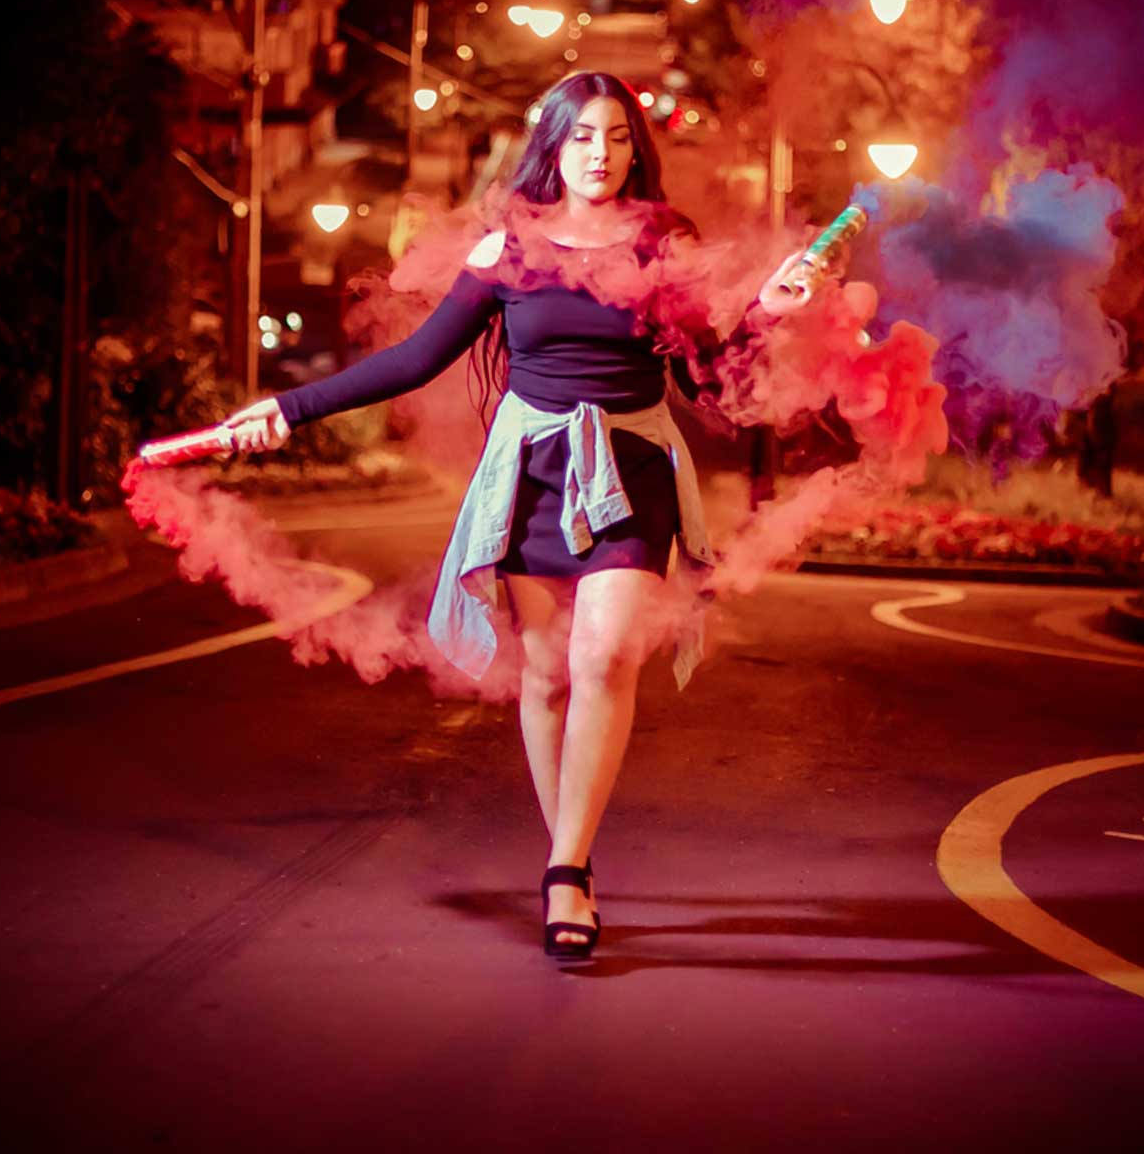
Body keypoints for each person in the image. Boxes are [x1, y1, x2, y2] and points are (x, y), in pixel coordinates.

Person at [221, 72, 819, 961]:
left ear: (635, 149)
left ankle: (566, 872)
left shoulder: (664, 242)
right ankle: (569, 854)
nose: (599, 153)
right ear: (554, 145)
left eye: (616, 136)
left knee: (603, 656)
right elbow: (414, 361)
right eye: (582, 136)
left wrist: (766, 313)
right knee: (543, 676)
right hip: (533, 472)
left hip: (631, 467)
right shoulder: (509, 249)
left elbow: (704, 377)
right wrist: (289, 408)